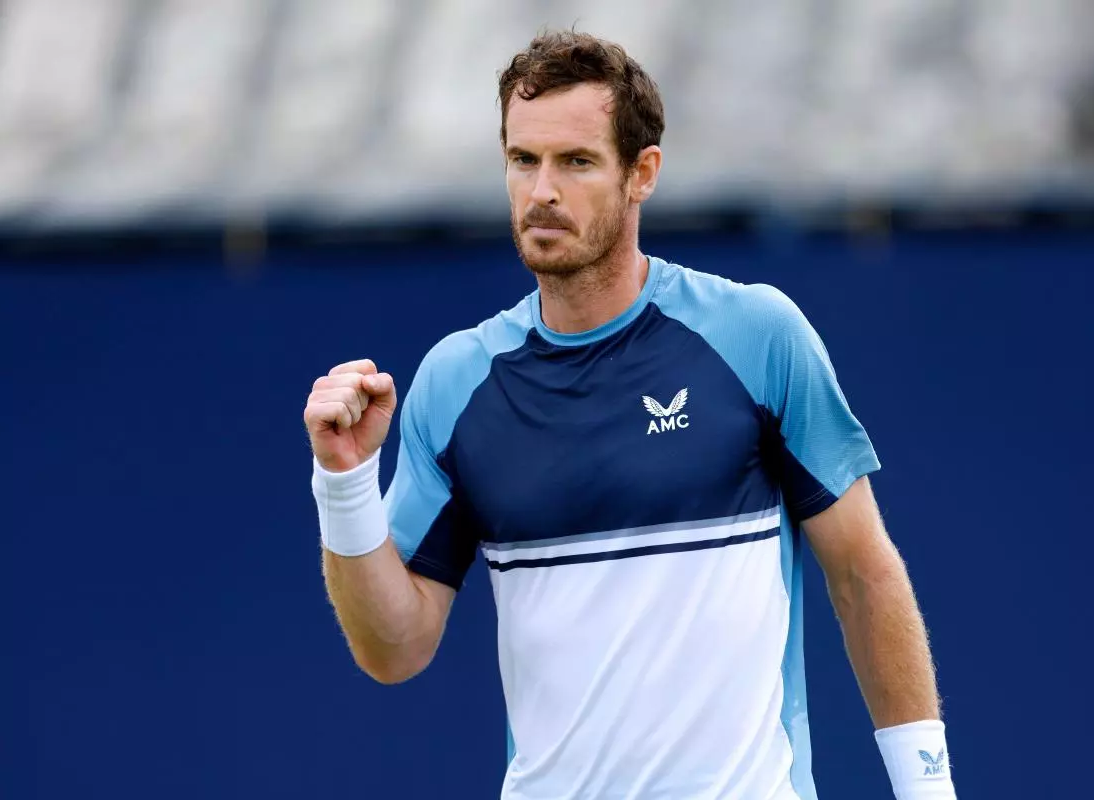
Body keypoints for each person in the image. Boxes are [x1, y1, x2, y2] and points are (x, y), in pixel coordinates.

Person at [305, 30, 958, 800]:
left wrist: (929, 793)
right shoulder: (456, 383)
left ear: (641, 173)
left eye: (576, 162)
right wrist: (343, 484)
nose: (542, 190)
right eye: (523, 160)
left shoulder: (756, 335)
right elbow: (394, 649)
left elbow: (863, 574)